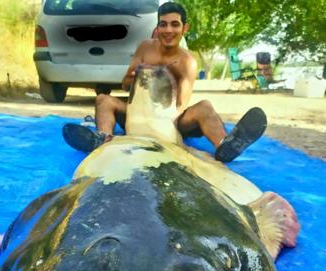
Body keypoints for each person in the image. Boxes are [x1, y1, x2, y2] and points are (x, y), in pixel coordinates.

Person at [62, 1, 267, 163]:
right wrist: (130, 79)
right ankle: (101, 138)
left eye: (174, 24)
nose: (168, 30)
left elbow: (181, 106)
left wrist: (159, 126)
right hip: (137, 111)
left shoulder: (187, 62)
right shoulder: (144, 48)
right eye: (163, 24)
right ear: (157, 27)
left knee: (204, 107)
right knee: (104, 100)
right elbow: (125, 85)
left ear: (184, 28)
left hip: (172, 119)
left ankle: (225, 145)